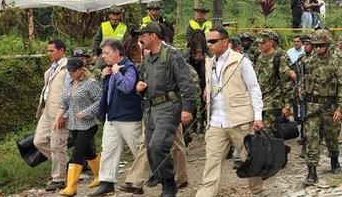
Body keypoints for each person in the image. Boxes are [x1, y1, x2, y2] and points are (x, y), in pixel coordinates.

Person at [196, 28, 265, 197]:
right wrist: (208, 90)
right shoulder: (210, 62)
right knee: (211, 164)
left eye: (213, 41)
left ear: (225, 42)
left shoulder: (241, 61)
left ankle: (259, 192)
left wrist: (258, 116)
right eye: (208, 41)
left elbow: (254, 89)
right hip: (215, 122)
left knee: (250, 161)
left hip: (239, 121)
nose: (209, 45)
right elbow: (215, 83)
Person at [133, 22, 199, 197]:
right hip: (150, 109)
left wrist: (187, 108)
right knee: (149, 148)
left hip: (168, 108)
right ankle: (163, 179)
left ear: (153, 36)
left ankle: (170, 185)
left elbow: (187, 84)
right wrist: (140, 87)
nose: (140, 39)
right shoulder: (147, 59)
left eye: (143, 35)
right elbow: (144, 81)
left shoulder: (172, 55)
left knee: (157, 146)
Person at [89, 39, 143, 196]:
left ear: (117, 53)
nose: (103, 57)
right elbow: (106, 94)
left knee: (138, 150)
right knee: (108, 150)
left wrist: (116, 73)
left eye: (107, 53)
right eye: (103, 53)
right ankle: (106, 182)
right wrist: (106, 77)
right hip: (112, 116)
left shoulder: (128, 67)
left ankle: (151, 178)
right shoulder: (111, 69)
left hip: (128, 117)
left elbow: (127, 87)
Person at [296, 29, 342, 185]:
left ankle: (334, 159)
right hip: (312, 106)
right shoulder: (308, 62)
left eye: (321, 46)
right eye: (316, 46)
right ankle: (312, 171)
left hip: (330, 106)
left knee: (331, 136)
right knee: (311, 137)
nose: (318, 49)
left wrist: (340, 108)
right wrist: (300, 89)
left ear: (328, 45)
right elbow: (302, 80)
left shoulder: (337, 61)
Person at [55, 58, 103, 196]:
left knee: (77, 154)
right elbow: (64, 103)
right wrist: (59, 117)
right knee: (88, 152)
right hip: (74, 125)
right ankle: (100, 176)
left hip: (88, 125)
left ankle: (71, 187)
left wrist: (87, 112)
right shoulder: (70, 84)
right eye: (69, 71)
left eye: (73, 71)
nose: (70, 73)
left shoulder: (90, 83)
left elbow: (101, 100)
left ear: (81, 70)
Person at [34, 40, 71, 191]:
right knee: (39, 141)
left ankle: (59, 178)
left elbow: (70, 92)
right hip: (46, 110)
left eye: (51, 51)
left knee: (57, 145)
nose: (48, 54)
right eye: (48, 51)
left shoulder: (68, 67)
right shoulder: (52, 68)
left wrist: (64, 115)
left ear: (61, 50)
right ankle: (68, 164)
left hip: (59, 112)